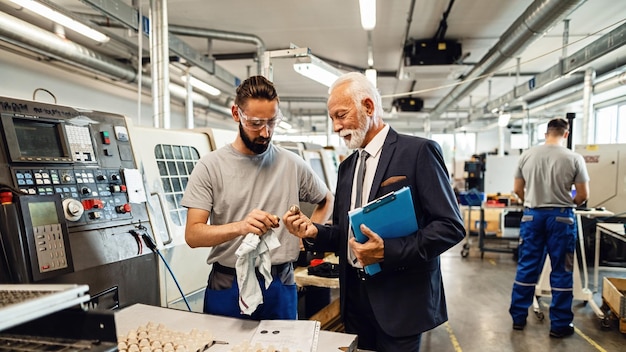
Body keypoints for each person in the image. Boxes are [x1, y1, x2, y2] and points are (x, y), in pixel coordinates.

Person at [283, 72, 465, 352]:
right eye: (332, 118)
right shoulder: (347, 168)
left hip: (400, 302)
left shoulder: (418, 152)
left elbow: (450, 226)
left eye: (341, 115)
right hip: (356, 303)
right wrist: (314, 232)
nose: (336, 126)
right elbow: (347, 234)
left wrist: (387, 251)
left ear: (368, 107)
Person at [181, 75, 333, 320]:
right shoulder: (210, 167)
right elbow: (193, 235)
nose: (265, 132)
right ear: (236, 114)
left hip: (279, 282)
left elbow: (326, 198)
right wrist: (241, 227)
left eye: (272, 122)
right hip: (228, 283)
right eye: (255, 123)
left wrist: (309, 234)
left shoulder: (291, 164)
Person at [509, 118, 589, 337]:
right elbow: (583, 195)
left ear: (546, 133)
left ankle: (518, 318)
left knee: (527, 267)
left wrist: (533, 203)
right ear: (566, 134)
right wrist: (565, 204)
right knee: (561, 270)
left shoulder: (527, 155)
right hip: (561, 219)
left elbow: (517, 188)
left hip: (532, 216)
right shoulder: (574, 158)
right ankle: (560, 325)